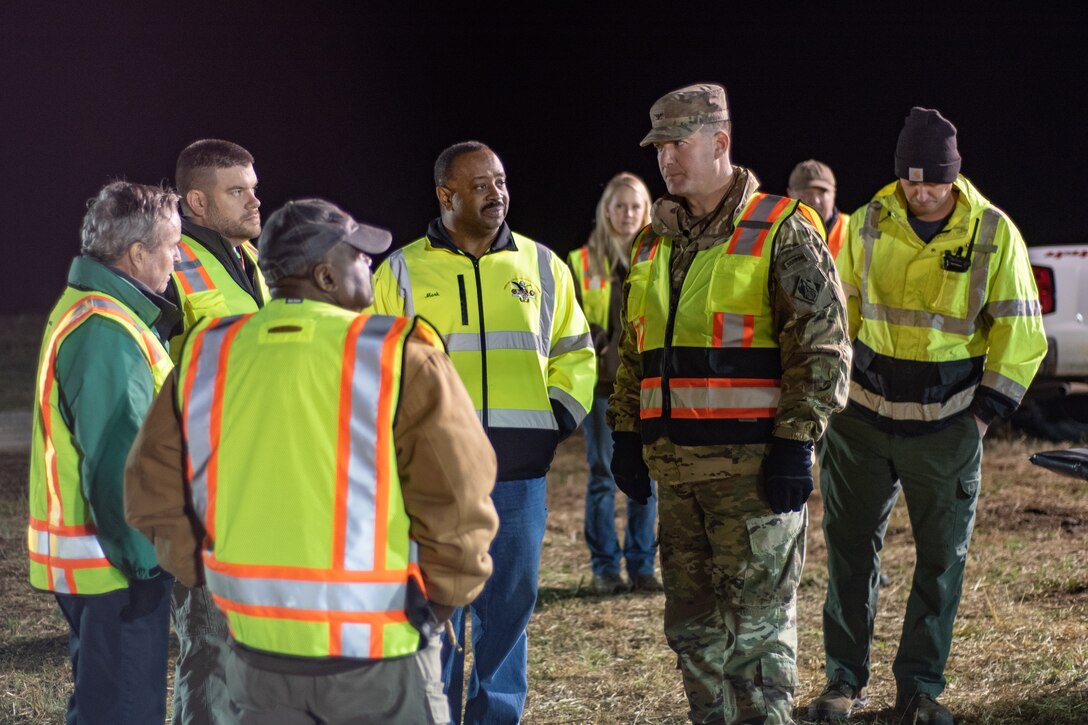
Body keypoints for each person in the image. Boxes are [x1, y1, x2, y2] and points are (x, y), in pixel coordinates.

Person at [125, 198, 500, 724]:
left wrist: (200, 571)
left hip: (254, 650)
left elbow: (149, 486)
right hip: (379, 653)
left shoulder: (208, 354)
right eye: (358, 256)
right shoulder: (398, 351)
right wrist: (443, 601)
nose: (369, 264)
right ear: (326, 275)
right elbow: (460, 496)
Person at [607, 83, 851, 725]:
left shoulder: (781, 227)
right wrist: (626, 433)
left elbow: (823, 346)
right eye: (658, 146)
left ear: (719, 143)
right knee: (692, 631)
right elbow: (634, 350)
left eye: (677, 143)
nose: (665, 159)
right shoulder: (653, 241)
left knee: (758, 636)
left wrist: (797, 443)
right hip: (677, 477)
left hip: (754, 475)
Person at [811, 107, 1048, 724]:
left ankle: (919, 689)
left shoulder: (993, 233)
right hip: (861, 422)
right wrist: (832, 403)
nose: (921, 192)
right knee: (849, 554)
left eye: (933, 182)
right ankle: (843, 683)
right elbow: (838, 321)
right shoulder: (865, 224)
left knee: (941, 560)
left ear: (954, 175)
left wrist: (981, 417)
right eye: (911, 181)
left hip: (947, 427)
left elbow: (1022, 334)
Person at [369, 140, 596, 724]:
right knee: (436, 604)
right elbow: (375, 366)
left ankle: (497, 714)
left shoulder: (544, 266)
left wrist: (555, 423)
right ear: (446, 196)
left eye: (500, 181)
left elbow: (576, 354)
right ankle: (433, 712)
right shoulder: (397, 271)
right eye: (480, 185)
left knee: (510, 604)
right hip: (433, 477)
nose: (497, 193)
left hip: (518, 474)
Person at [27, 181, 182, 723]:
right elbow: (120, 460)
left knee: (103, 701)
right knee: (123, 711)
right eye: (171, 246)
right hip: (117, 562)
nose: (177, 258)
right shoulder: (106, 328)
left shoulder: (97, 310)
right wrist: (146, 558)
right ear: (137, 254)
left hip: (103, 561)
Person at [165, 137, 269, 724]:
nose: (255, 201)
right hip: (205, 486)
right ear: (196, 203)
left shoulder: (250, 260)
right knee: (209, 647)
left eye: (253, 188)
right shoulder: (170, 263)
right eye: (238, 191)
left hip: (254, 480)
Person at [566, 172, 662, 595]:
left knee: (650, 475)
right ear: (606, 211)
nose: (627, 214)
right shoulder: (580, 262)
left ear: (647, 212)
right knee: (603, 475)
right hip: (603, 390)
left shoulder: (659, 256)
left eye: (635, 206)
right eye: (619, 206)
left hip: (651, 385)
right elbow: (570, 325)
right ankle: (605, 566)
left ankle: (642, 566)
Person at [786, 160, 849, 261]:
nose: (815, 200)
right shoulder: (779, 233)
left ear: (834, 193)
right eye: (806, 193)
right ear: (790, 194)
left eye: (822, 192)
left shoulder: (853, 230)